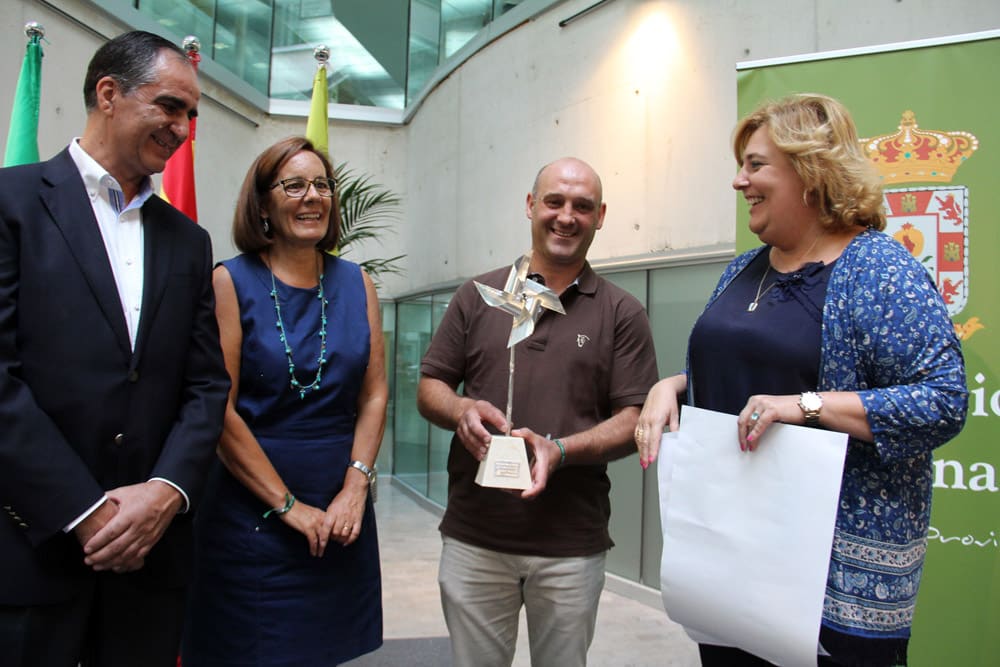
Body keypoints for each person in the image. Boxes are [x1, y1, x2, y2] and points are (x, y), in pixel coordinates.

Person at [635, 94, 968, 666]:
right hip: (730, 558)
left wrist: (808, 406)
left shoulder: (881, 269)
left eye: (756, 165)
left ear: (810, 173)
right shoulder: (743, 268)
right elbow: (754, 370)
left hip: (832, 589)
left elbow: (942, 400)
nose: (739, 181)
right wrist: (674, 385)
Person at [0, 30, 230, 666]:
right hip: (31, 551)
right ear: (108, 93)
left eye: (190, 115)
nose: (182, 129)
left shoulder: (188, 240)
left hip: (150, 564)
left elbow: (206, 385)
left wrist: (166, 491)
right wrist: (83, 511)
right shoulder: (11, 203)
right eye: (170, 106)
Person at [417, 157, 659, 667]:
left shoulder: (621, 312)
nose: (566, 216)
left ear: (600, 216)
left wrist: (561, 450)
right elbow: (431, 387)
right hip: (475, 538)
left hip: (570, 546)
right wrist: (461, 409)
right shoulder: (477, 297)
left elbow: (634, 419)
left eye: (582, 206)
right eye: (554, 202)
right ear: (531, 205)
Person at [181, 136, 387, 666]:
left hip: (341, 513)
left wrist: (355, 487)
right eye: (293, 186)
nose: (312, 196)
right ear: (263, 204)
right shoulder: (230, 281)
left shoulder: (358, 283)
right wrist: (288, 507)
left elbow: (374, 394)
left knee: (325, 652)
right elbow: (219, 408)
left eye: (322, 185)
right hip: (249, 515)